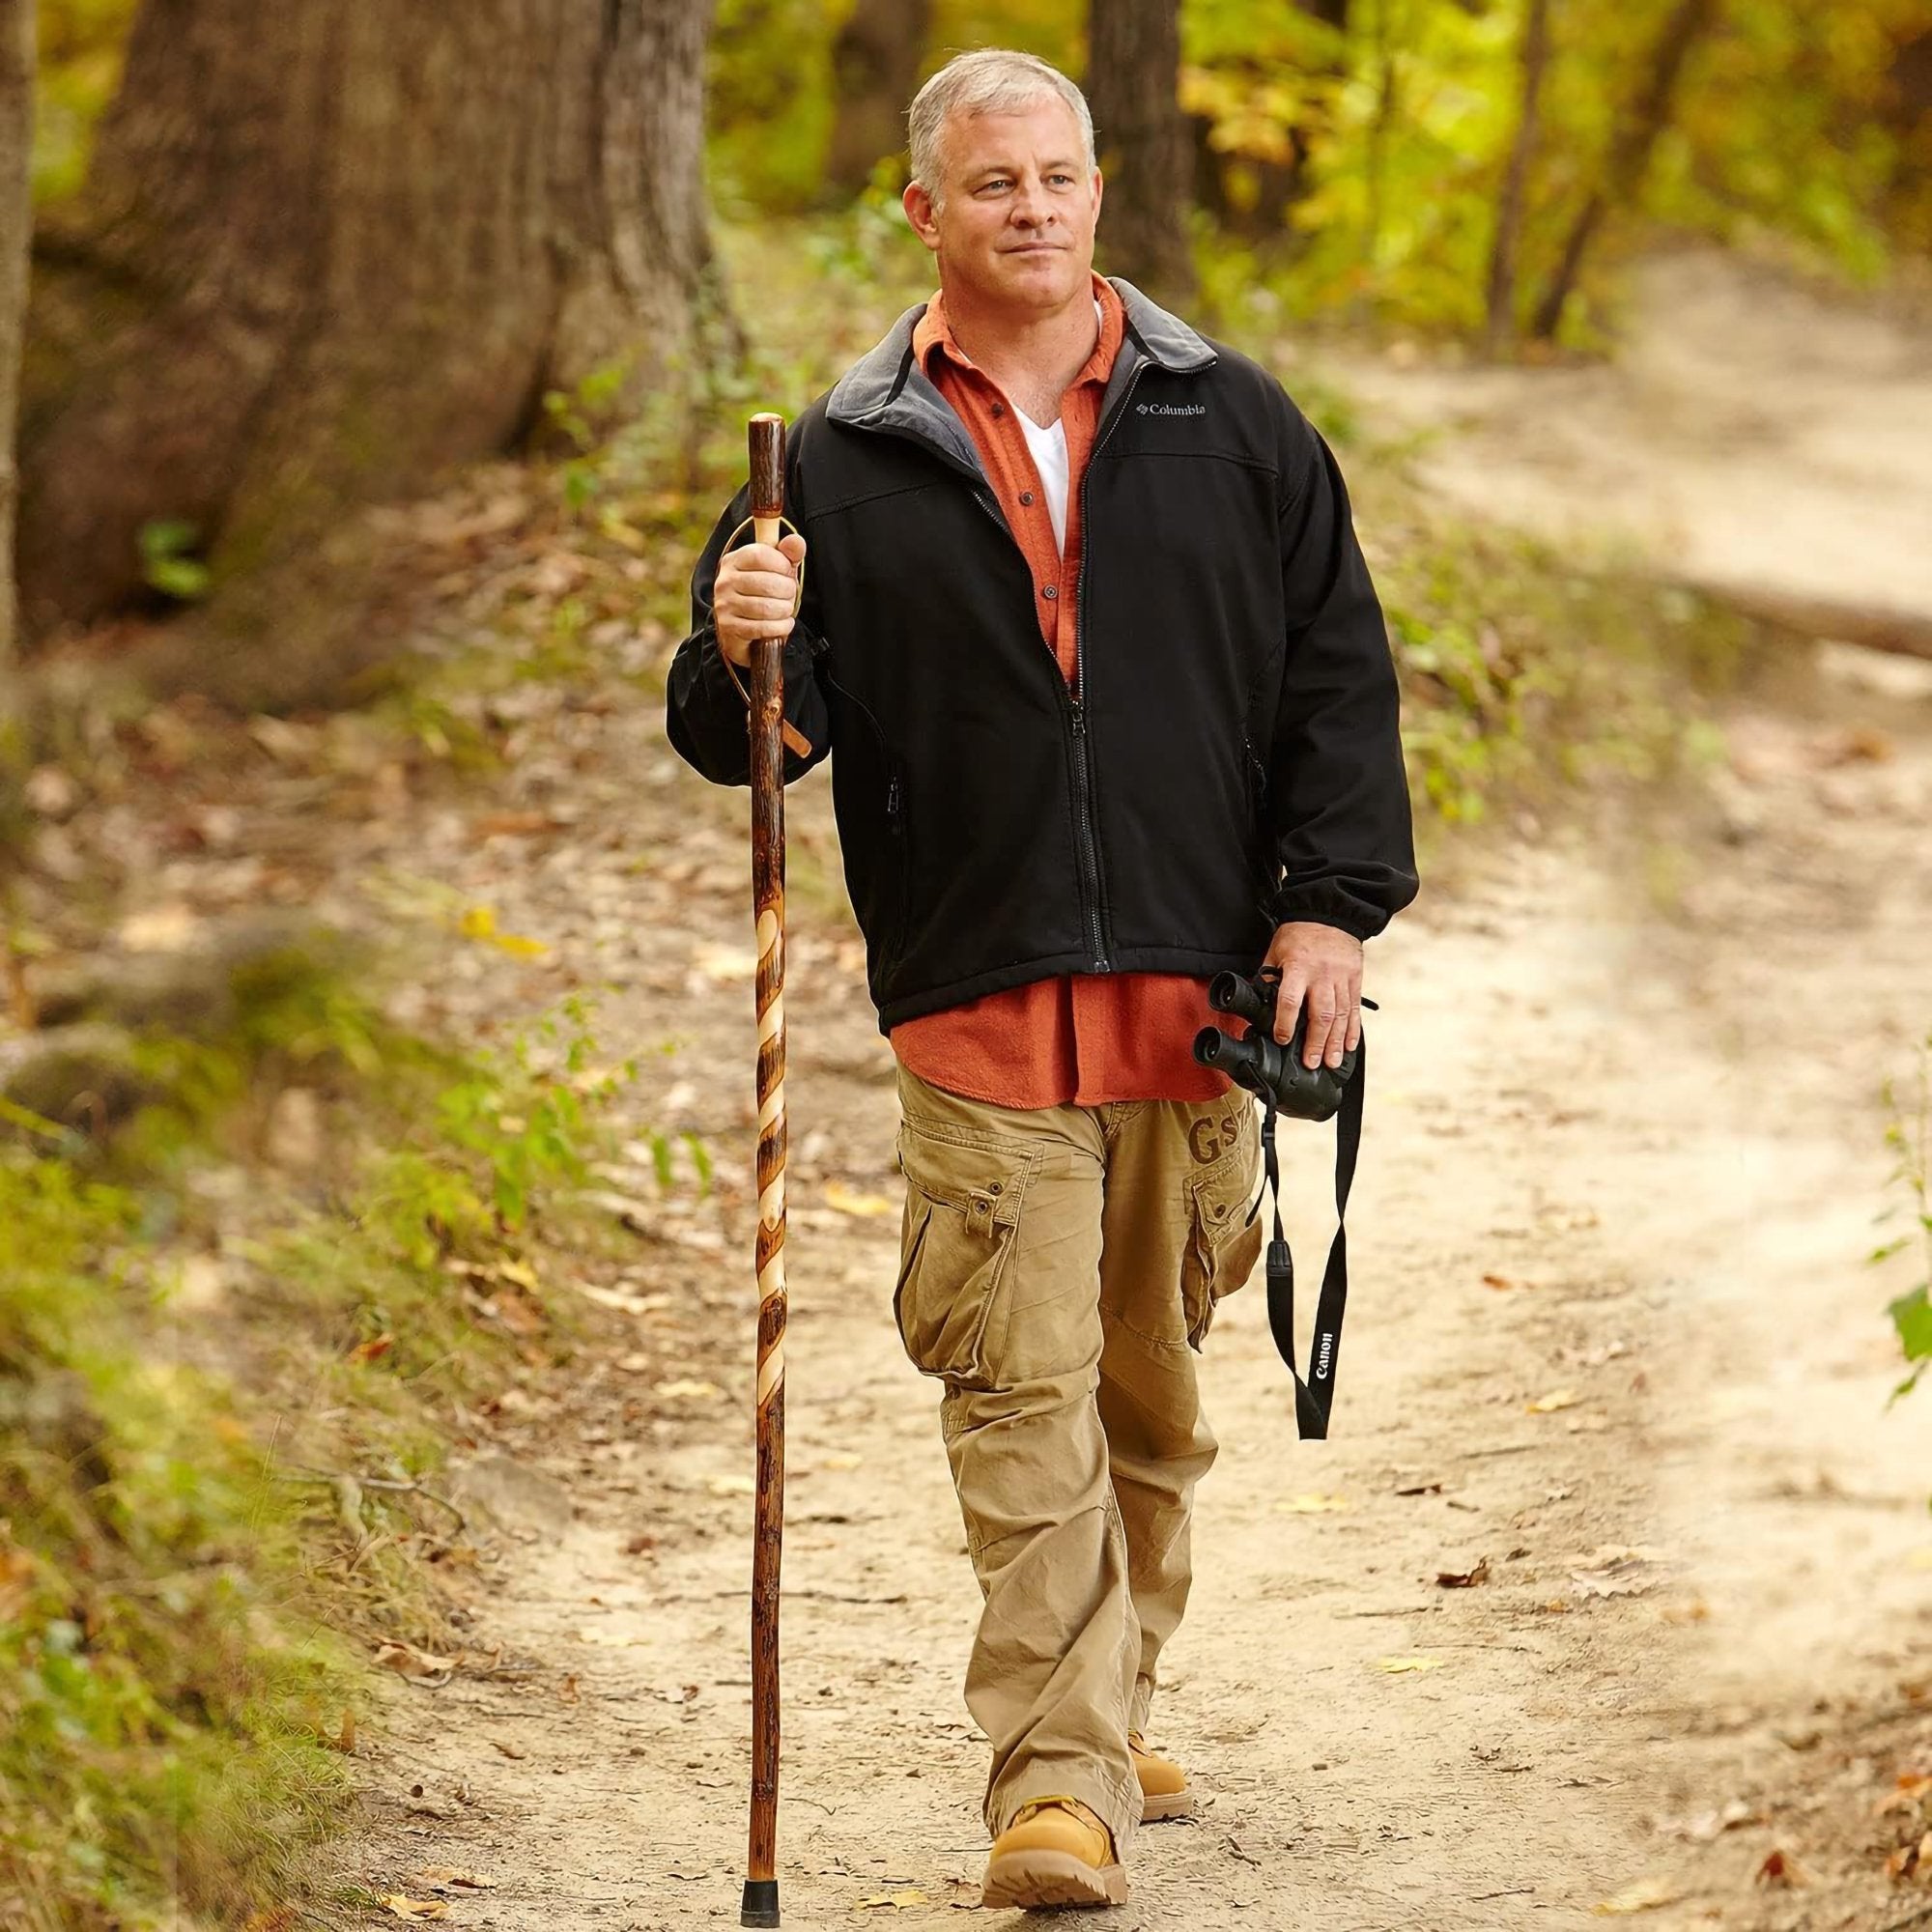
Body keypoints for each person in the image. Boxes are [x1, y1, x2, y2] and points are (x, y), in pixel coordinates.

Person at [667, 47, 1417, 1912]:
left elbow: (1337, 676)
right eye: (995, 182)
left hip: (1194, 1005)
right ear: (925, 208)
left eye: (1063, 178)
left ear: (1098, 193)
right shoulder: (831, 456)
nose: (1038, 208)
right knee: (1022, 1397)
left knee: (1148, 1396)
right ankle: (1058, 1783)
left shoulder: (1235, 424)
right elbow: (745, 738)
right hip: (977, 1003)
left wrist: (1327, 915)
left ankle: (1119, 1685)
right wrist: (736, 637)